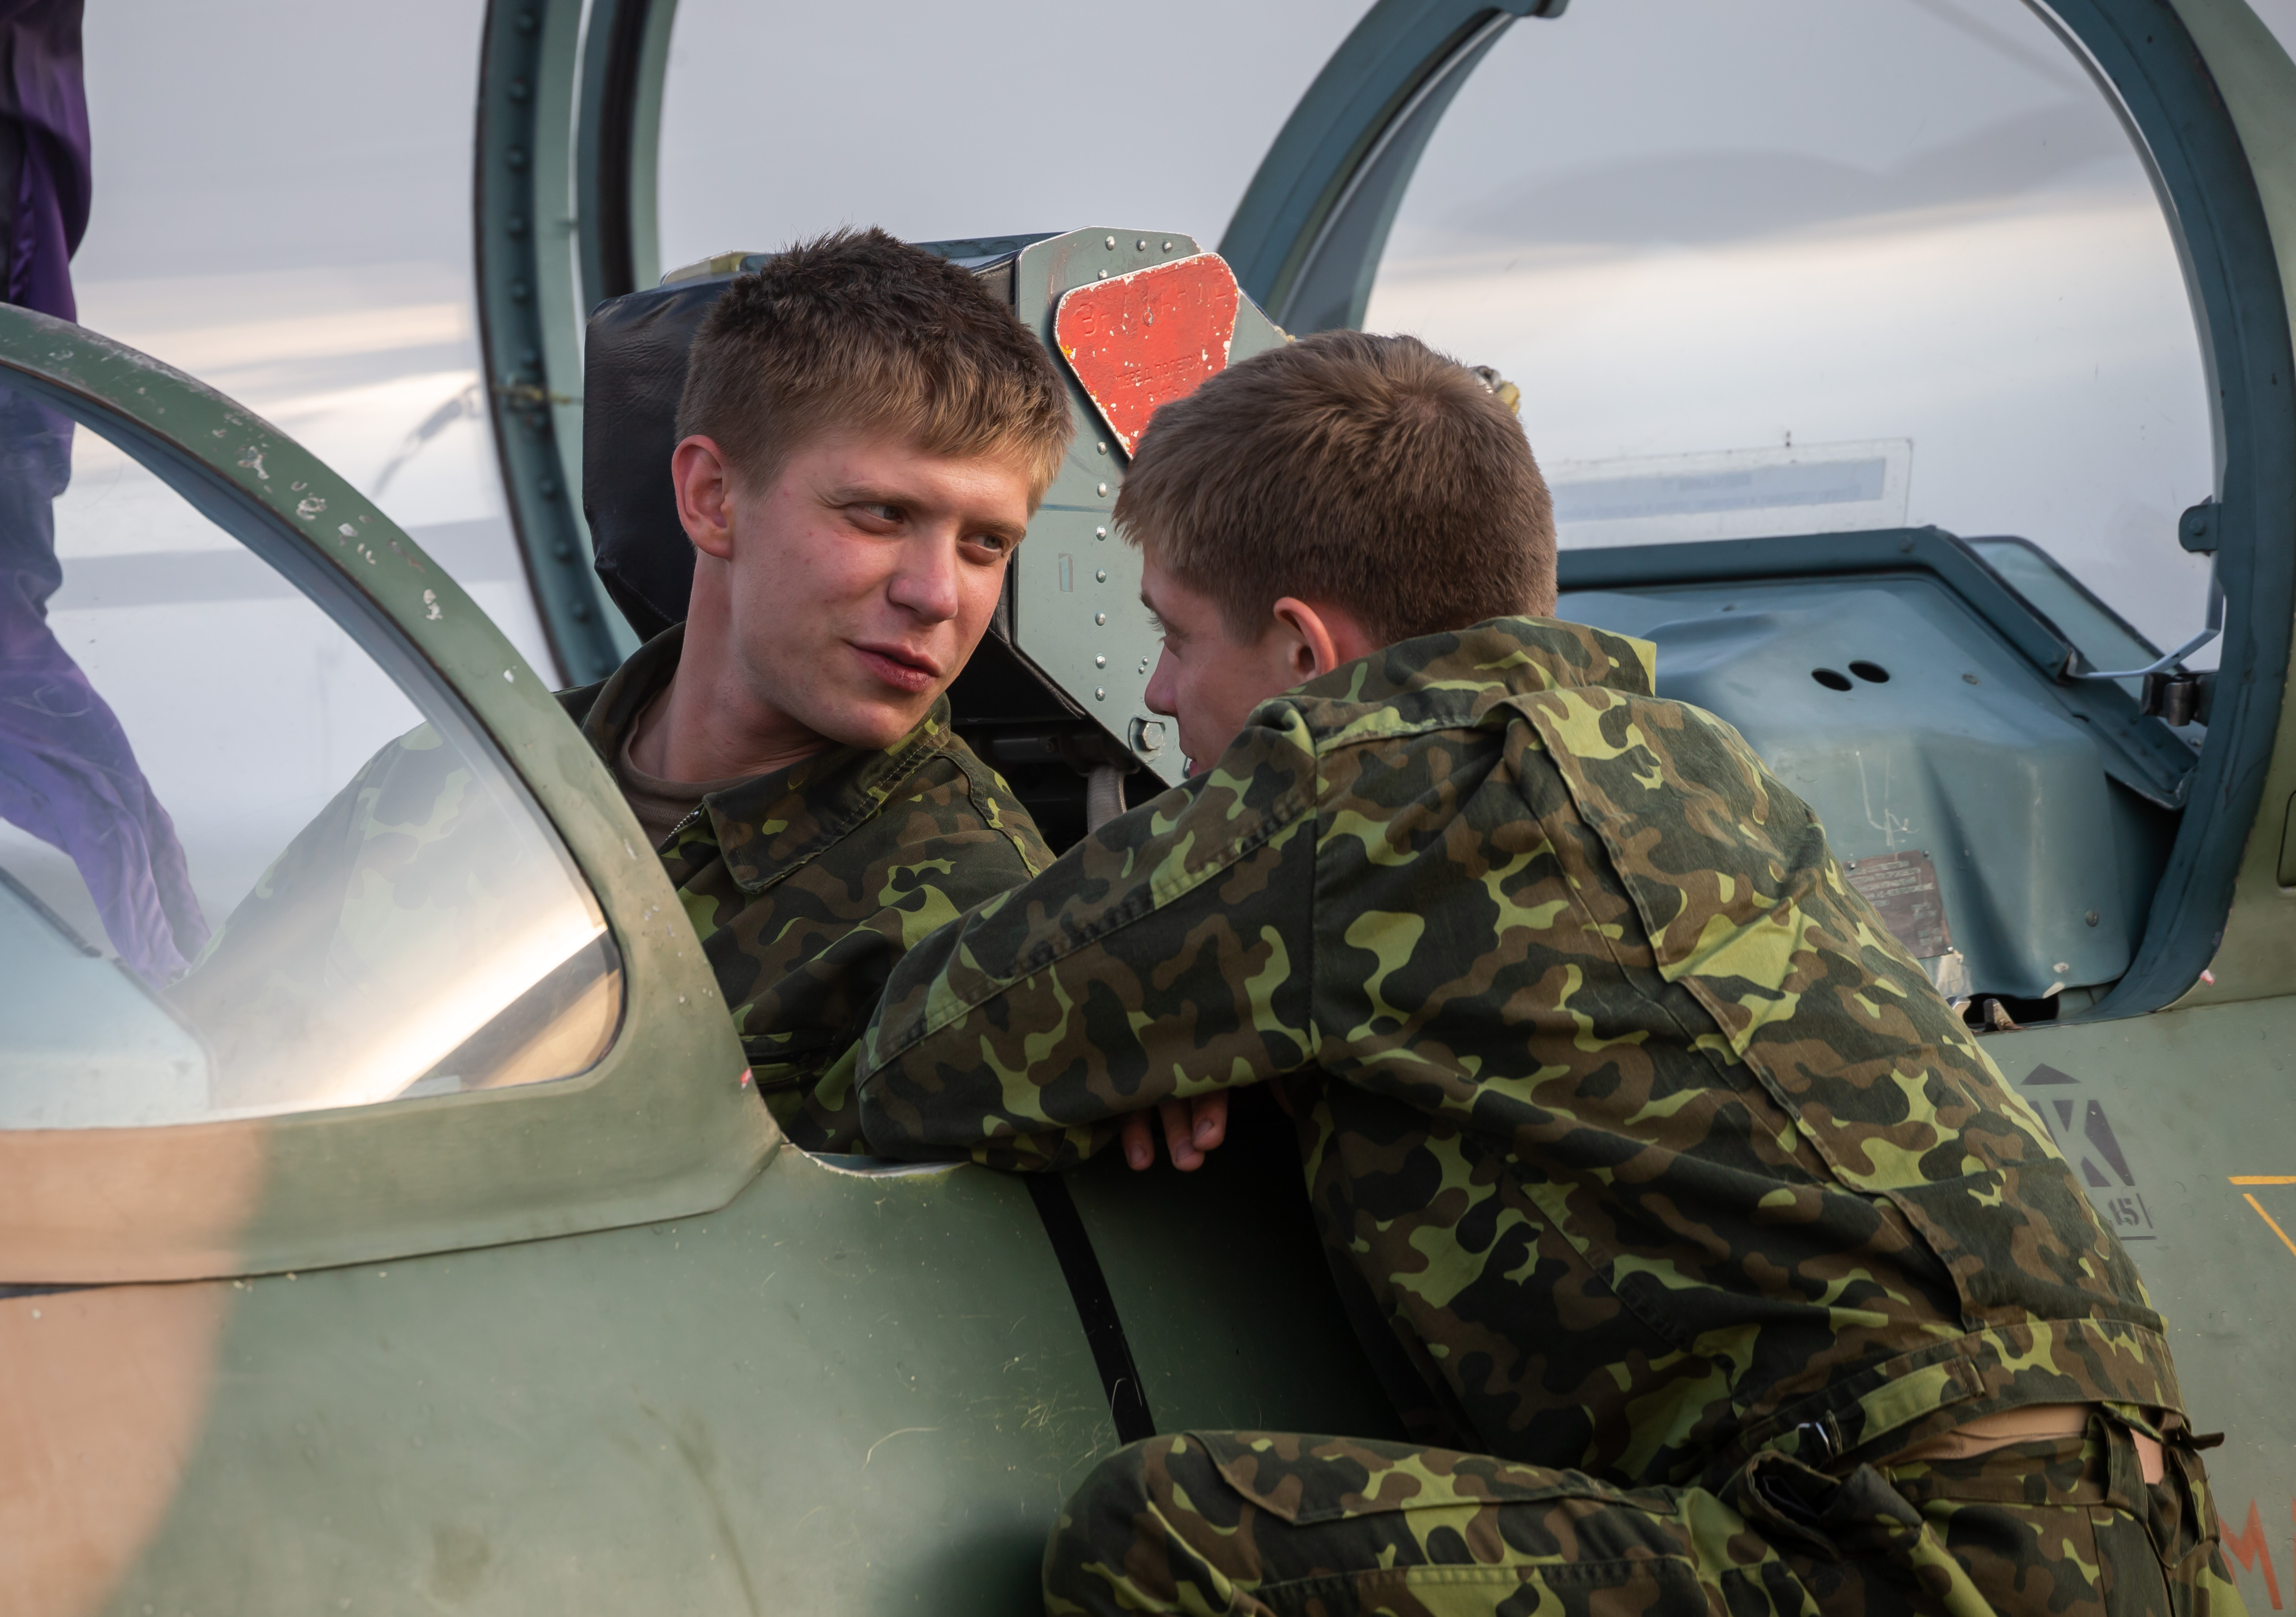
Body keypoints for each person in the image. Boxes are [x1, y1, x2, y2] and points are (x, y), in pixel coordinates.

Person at [855, 330, 2236, 1617]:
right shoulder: (1700, 766)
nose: (1159, 695)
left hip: (1880, 1548)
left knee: (1169, 1538)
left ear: (1303, 650)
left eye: (1176, 637)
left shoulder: (1349, 794)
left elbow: (917, 1059)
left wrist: (1157, 1042)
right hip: (2137, 1530)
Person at [550, 226, 1068, 1147]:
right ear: (713, 498)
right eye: (883, 514)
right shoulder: (483, 776)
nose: (938, 596)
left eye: (986, 544)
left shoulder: (975, 925)